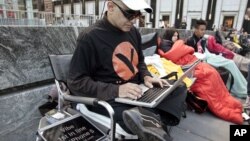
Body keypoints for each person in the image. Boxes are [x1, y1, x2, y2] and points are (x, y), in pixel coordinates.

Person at [67, 0, 187, 140]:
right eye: (129, 14)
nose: (134, 20)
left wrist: (147, 77)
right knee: (132, 114)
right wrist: (117, 90)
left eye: (138, 15)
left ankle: (151, 119)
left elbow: (140, 62)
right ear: (111, 6)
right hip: (111, 99)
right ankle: (152, 120)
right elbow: (75, 82)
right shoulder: (90, 37)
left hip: (138, 91)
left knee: (179, 87)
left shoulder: (133, 32)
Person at [157, 28, 243, 124]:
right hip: (184, 67)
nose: (176, 38)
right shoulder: (165, 44)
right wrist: (181, 44)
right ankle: (222, 107)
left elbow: (182, 51)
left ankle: (227, 101)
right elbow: (172, 55)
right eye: (174, 36)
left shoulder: (171, 44)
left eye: (177, 36)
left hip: (190, 64)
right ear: (168, 36)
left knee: (211, 71)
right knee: (207, 75)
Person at [186, 19, 248, 99]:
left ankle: (243, 88)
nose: (203, 32)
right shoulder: (191, 41)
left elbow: (206, 50)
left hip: (208, 57)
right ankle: (242, 90)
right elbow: (192, 56)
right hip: (203, 60)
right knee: (229, 63)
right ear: (196, 29)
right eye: (201, 30)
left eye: (204, 30)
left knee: (230, 63)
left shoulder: (203, 40)